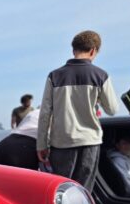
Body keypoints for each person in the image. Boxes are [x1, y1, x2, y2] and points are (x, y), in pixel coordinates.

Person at [36, 30, 117, 192]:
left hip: (61, 142)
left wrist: (41, 145)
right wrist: (97, 99)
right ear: (93, 51)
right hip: (89, 141)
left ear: (73, 50)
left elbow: (45, 113)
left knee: (60, 190)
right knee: (83, 191)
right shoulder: (101, 75)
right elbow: (112, 110)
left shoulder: (55, 76)